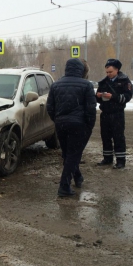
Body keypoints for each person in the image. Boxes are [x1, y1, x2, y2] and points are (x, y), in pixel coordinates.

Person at [47, 58, 97, 197]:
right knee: (73, 155)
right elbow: (91, 109)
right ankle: (64, 186)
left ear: (67, 68)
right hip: (79, 125)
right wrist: (89, 125)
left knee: (68, 154)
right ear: (81, 70)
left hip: (61, 125)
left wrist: (57, 119)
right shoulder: (86, 85)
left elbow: (50, 107)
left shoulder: (56, 85)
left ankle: (78, 177)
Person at [96, 59, 133, 169]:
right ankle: (107, 158)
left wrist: (112, 97)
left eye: (110, 72)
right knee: (105, 136)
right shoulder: (103, 82)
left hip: (117, 113)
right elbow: (97, 98)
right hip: (105, 113)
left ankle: (121, 161)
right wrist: (98, 96)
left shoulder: (124, 81)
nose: (108, 74)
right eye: (107, 72)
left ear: (117, 70)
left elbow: (128, 96)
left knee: (118, 137)